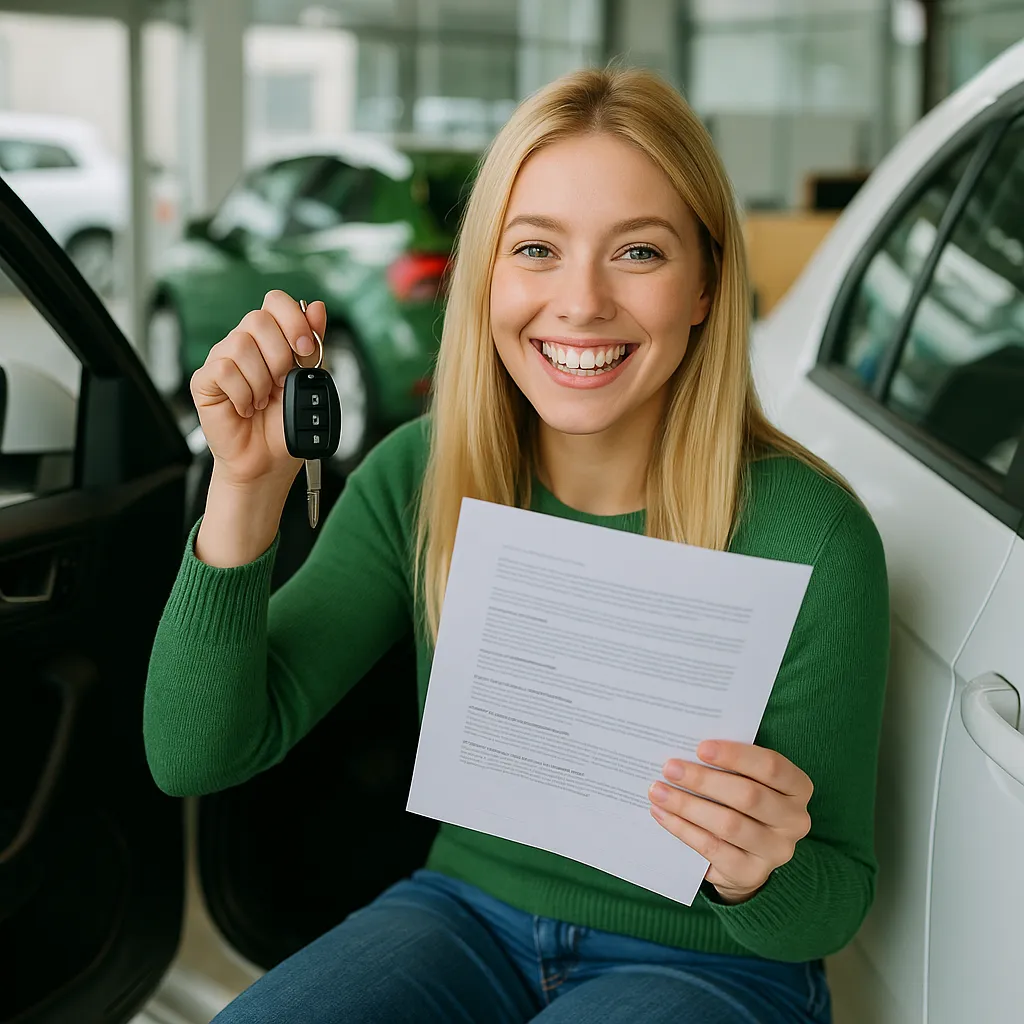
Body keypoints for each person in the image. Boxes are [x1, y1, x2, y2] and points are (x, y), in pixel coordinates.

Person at [144, 66, 889, 1024]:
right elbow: (192, 756)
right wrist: (244, 488)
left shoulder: (812, 534)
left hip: (709, 964)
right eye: (536, 248)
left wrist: (758, 874)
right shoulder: (422, 474)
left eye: (639, 254)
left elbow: (827, 910)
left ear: (706, 285)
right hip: (463, 913)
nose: (579, 304)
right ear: (486, 275)